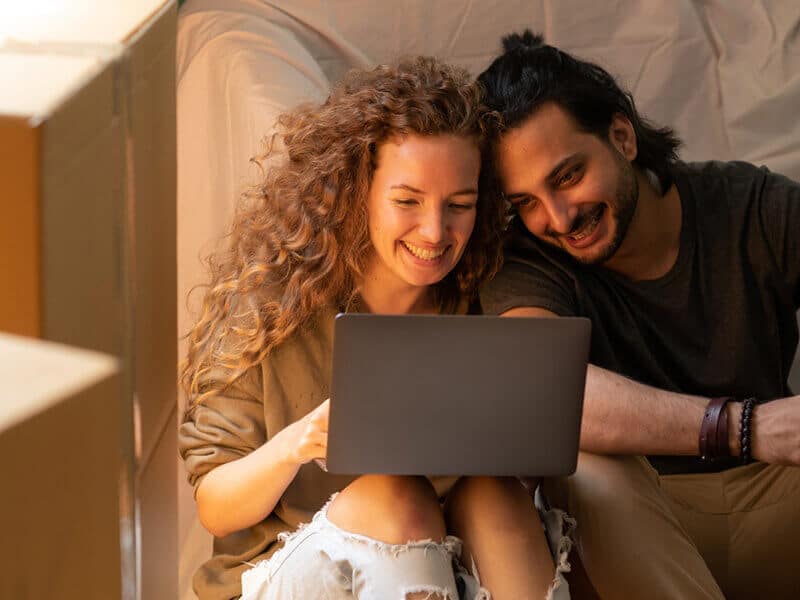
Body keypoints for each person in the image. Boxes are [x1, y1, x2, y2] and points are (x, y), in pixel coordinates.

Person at [179, 56, 574, 600]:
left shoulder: (485, 297)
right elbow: (216, 510)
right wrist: (299, 442)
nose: (435, 232)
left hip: (446, 563)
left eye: (459, 205)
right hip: (287, 571)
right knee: (399, 496)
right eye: (407, 201)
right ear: (355, 190)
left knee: (494, 494)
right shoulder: (272, 304)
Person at [476, 31, 800, 600]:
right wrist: (746, 427)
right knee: (586, 466)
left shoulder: (754, 206)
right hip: (636, 529)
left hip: (777, 503)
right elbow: (541, 390)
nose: (556, 217)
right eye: (523, 202)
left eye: (568, 176)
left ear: (622, 137)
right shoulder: (526, 261)